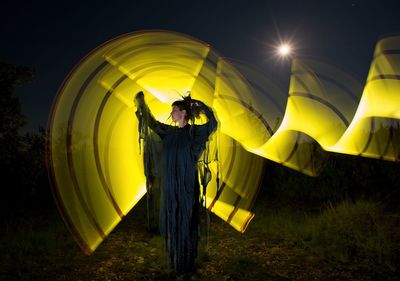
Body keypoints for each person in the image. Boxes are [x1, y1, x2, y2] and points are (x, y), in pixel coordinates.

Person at [134, 91, 217, 275]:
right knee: (173, 220)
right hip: (170, 185)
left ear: (183, 113)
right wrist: (142, 106)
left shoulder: (194, 133)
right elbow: (152, 123)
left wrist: (198, 104)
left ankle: (187, 263)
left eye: (174, 110)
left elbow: (213, 123)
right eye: (171, 111)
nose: (171, 114)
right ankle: (176, 262)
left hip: (187, 185)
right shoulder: (168, 132)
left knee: (186, 220)